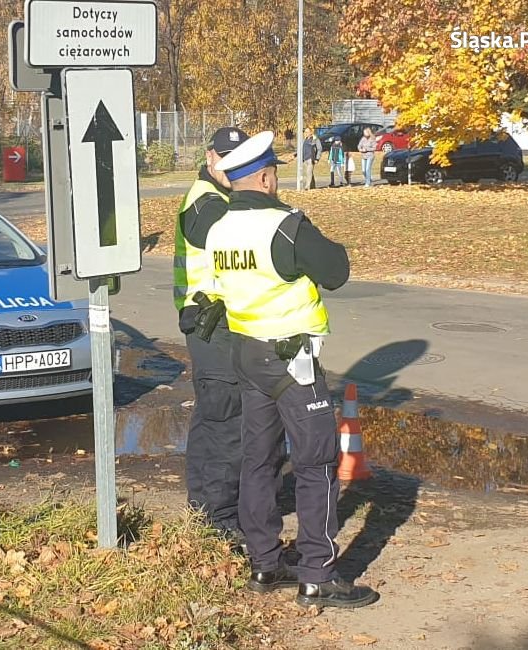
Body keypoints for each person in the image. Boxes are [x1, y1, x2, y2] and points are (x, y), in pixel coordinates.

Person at [207, 130, 379, 609]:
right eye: (275, 172)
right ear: (264, 177)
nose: (277, 179)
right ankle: (317, 574)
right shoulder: (286, 224)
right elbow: (336, 271)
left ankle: (264, 562)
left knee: (258, 461)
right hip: (291, 360)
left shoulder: (219, 227)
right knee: (317, 463)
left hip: (247, 354)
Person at [173, 126, 250, 546]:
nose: (231, 165)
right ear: (209, 157)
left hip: (215, 322)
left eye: (239, 158)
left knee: (212, 418)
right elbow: (221, 238)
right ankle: (220, 520)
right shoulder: (204, 201)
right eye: (225, 157)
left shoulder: (218, 197)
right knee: (226, 421)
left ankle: (204, 510)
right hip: (210, 322)